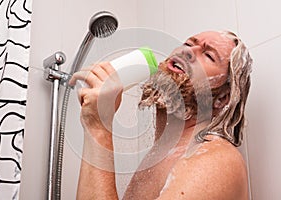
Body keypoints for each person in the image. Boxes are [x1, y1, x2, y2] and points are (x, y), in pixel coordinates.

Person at [69, 30, 252, 200]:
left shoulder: (215, 161)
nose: (187, 51)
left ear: (221, 98)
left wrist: (99, 125)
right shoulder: (163, 155)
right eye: (188, 44)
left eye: (208, 55)